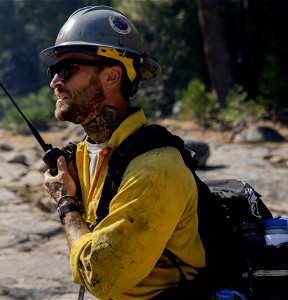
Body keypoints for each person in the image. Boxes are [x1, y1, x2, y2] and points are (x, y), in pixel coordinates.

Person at [41, 6, 205, 300]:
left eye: (66, 70)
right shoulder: (84, 155)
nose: (54, 82)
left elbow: (101, 278)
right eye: (54, 71)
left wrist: (67, 205)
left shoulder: (156, 169)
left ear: (112, 76)